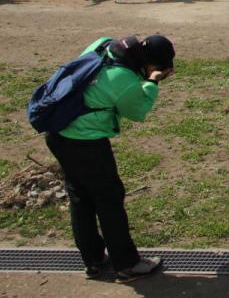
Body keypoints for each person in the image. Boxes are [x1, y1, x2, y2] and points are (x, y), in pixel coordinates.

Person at [45, 34, 175, 282]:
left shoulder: (103, 44)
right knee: (109, 200)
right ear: (150, 63)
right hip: (85, 142)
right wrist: (152, 82)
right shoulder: (124, 78)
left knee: (81, 197)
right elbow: (136, 110)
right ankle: (126, 265)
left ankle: (93, 261)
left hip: (57, 132)